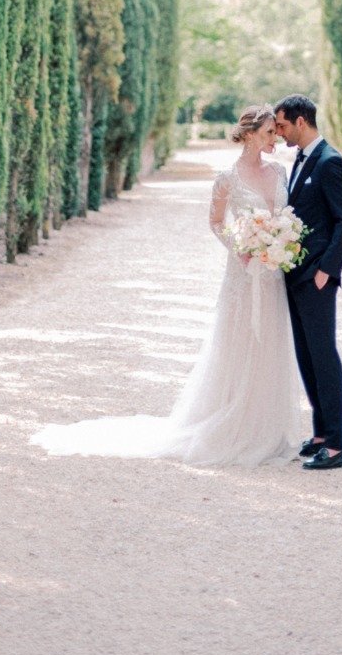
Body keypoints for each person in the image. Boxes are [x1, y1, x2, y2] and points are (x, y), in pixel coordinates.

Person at [31, 105, 306, 467]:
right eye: (271, 132)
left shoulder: (280, 171)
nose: (276, 138)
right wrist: (241, 249)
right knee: (239, 343)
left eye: (276, 132)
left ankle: (269, 432)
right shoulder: (227, 178)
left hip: (271, 276)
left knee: (270, 343)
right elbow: (216, 222)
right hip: (242, 273)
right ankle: (233, 426)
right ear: (251, 134)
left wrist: (279, 244)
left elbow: (284, 218)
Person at [274, 93, 342, 470]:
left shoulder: (330, 162)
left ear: (301, 122)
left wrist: (327, 270)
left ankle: (337, 446)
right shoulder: (300, 160)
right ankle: (321, 434)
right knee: (307, 357)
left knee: (324, 357)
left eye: (281, 125)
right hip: (296, 275)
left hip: (316, 278)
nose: (278, 133)